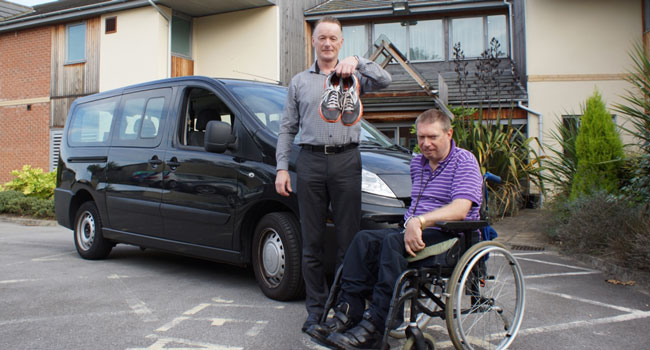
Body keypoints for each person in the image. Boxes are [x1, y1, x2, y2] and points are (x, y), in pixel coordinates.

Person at [306, 109, 483, 350]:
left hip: (450, 234)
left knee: (392, 244)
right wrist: (413, 223)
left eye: (432, 137)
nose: (425, 143)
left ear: (449, 133)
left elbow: (461, 208)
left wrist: (419, 222)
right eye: (421, 137)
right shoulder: (418, 163)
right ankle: (348, 313)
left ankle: (376, 327)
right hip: (415, 230)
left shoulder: (464, 161)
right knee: (363, 239)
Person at [275, 16, 391, 332]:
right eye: (322, 37)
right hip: (310, 163)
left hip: (347, 162)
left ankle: (346, 306)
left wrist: (359, 61)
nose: (327, 43)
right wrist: (282, 167)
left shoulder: (355, 76)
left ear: (341, 43)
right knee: (311, 243)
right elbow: (287, 129)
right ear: (313, 41)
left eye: (333, 39)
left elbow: (386, 81)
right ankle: (315, 309)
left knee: (348, 242)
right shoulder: (299, 82)